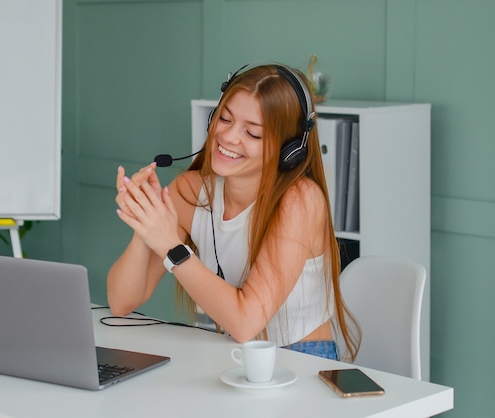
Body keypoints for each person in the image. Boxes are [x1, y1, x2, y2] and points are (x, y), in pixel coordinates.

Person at [107, 63, 360, 361]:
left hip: (301, 361)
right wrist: (146, 222)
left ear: (289, 149)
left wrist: (169, 246)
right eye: (224, 119)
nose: (228, 137)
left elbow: (245, 322)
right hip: (233, 356)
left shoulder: (300, 201)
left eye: (252, 133)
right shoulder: (191, 190)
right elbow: (122, 302)